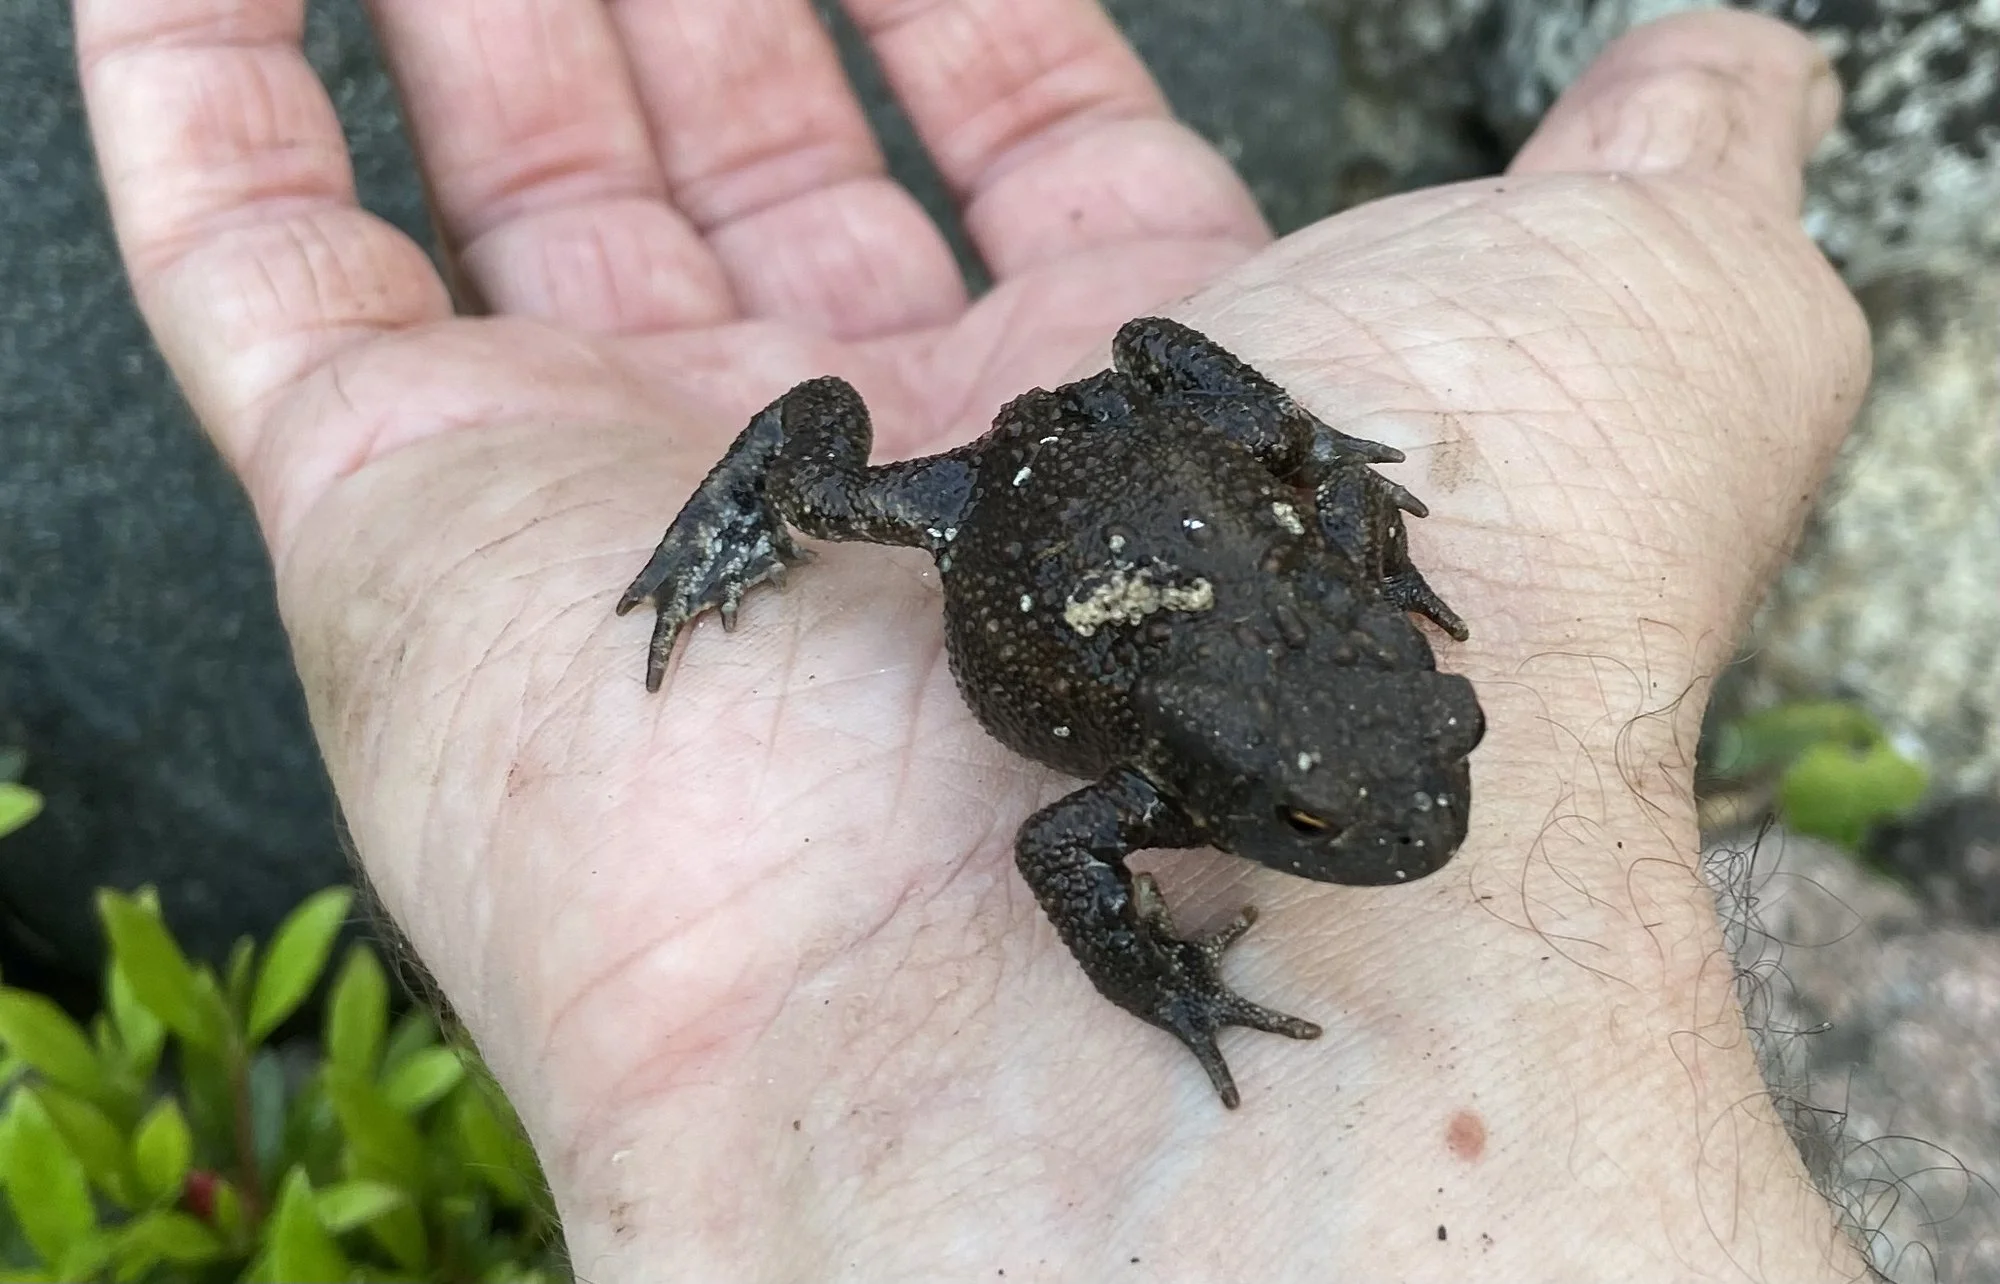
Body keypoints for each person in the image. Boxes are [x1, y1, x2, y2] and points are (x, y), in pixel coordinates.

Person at [75, 0, 1873, 1278]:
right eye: (1330, 826)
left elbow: (1104, 768)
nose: (1416, 831)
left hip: (1164, 487)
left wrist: (1331, 472)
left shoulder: (1290, 660)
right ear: (1243, 798)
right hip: (1001, 508)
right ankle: (727, 503)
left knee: (1204, 390)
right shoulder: (1161, 774)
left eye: (1428, 759)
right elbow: (1054, 838)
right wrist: (1160, 969)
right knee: (833, 487)